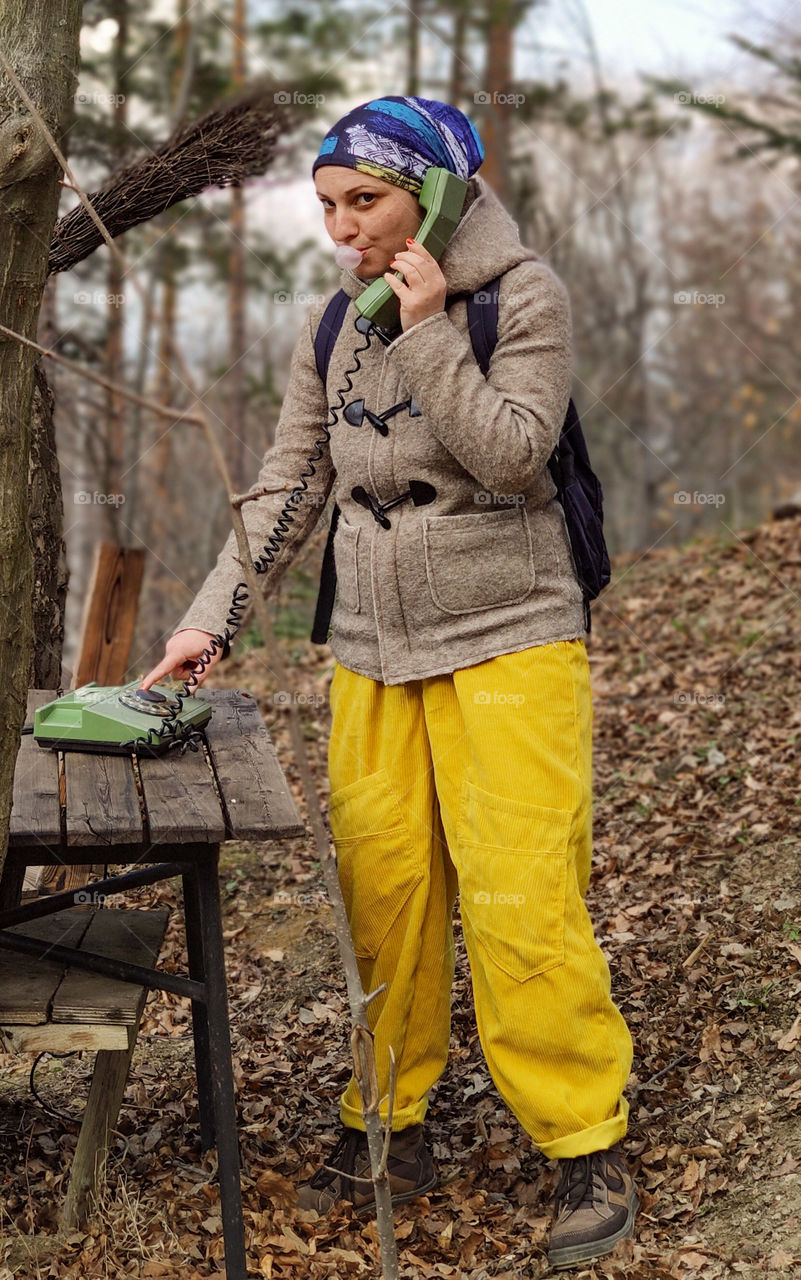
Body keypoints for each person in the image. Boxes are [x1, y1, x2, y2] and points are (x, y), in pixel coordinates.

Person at [141, 95, 638, 1271]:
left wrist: (423, 330)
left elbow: (515, 451)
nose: (342, 229)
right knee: (387, 893)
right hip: (372, 642)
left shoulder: (523, 297)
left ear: (442, 191)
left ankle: (585, 1140)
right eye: (326, 207)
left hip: (512, 631)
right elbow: (289, 483)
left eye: (364, 200)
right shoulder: (332, 323)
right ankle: (388, 1124)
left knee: (523, 894)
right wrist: (208, 619)